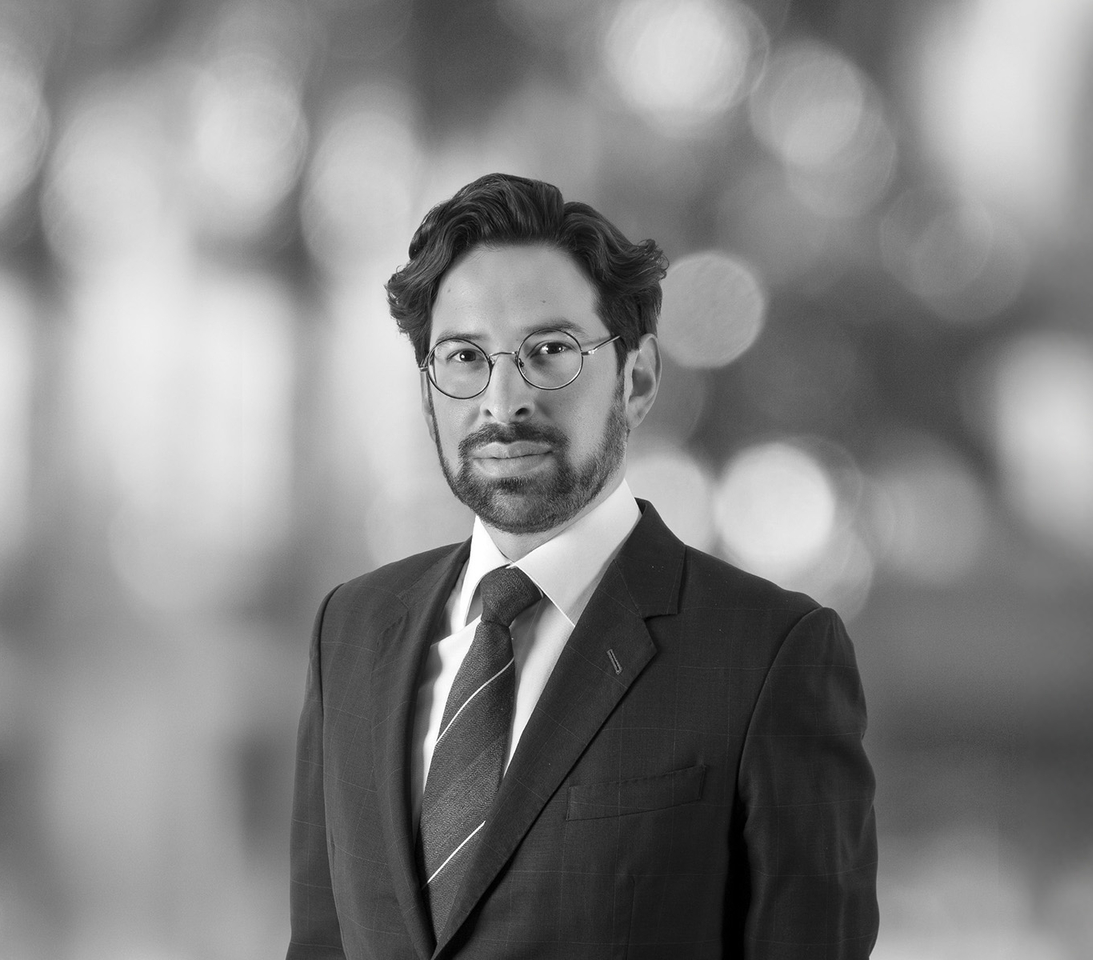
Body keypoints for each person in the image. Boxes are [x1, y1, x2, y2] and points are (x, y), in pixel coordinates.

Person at [288, 172, 877, 960]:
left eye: (550, 352)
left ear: (637, 379)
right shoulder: (351, 632)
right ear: (428, 391)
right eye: (463, 356)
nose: (503, 400)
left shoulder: (770, 656)